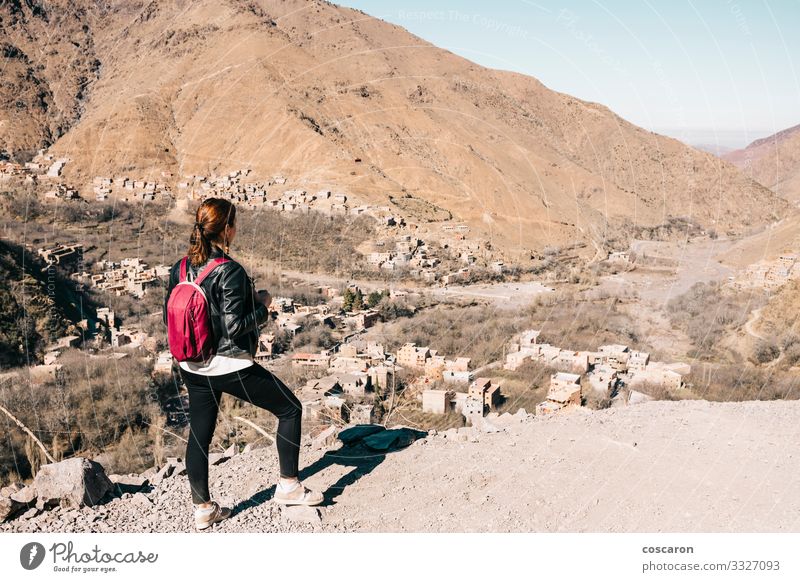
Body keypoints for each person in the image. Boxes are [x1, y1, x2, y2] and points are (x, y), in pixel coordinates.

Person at [162, 197, 323, 531]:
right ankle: (289, 485)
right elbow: (235, 327)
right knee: (290, 408)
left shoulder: (178, 268)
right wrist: (263, 306)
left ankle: (203, 508)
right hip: (228, 364)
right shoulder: (229, 270)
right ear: (227, 229)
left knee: (199, 435)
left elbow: (169, 315)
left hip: (192, 365)